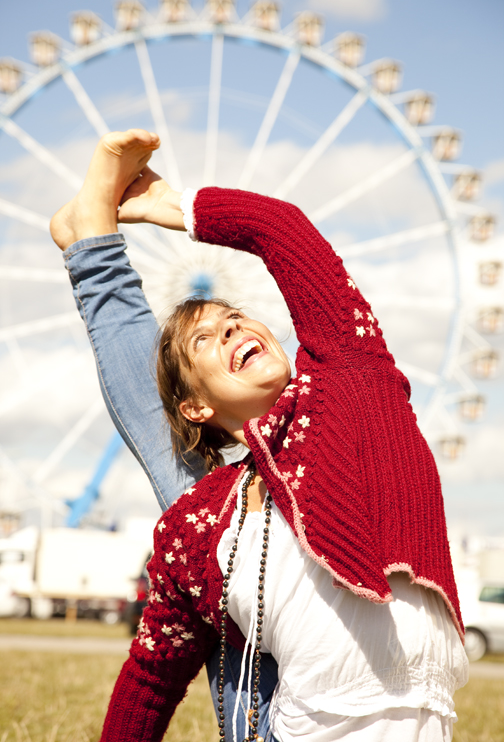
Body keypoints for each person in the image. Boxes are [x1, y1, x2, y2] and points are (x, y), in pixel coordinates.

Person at [51, 130, 468, 742]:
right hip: (279, 720)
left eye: (236, 318)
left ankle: (92, 247)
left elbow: (286, 233)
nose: (231, 327)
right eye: (206, 338)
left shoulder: (354, 383)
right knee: (192, 500)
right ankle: (92, 248)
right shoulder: (200, 521)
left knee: (188, 488)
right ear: (196, 408)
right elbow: (149, 678)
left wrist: (172, 205)